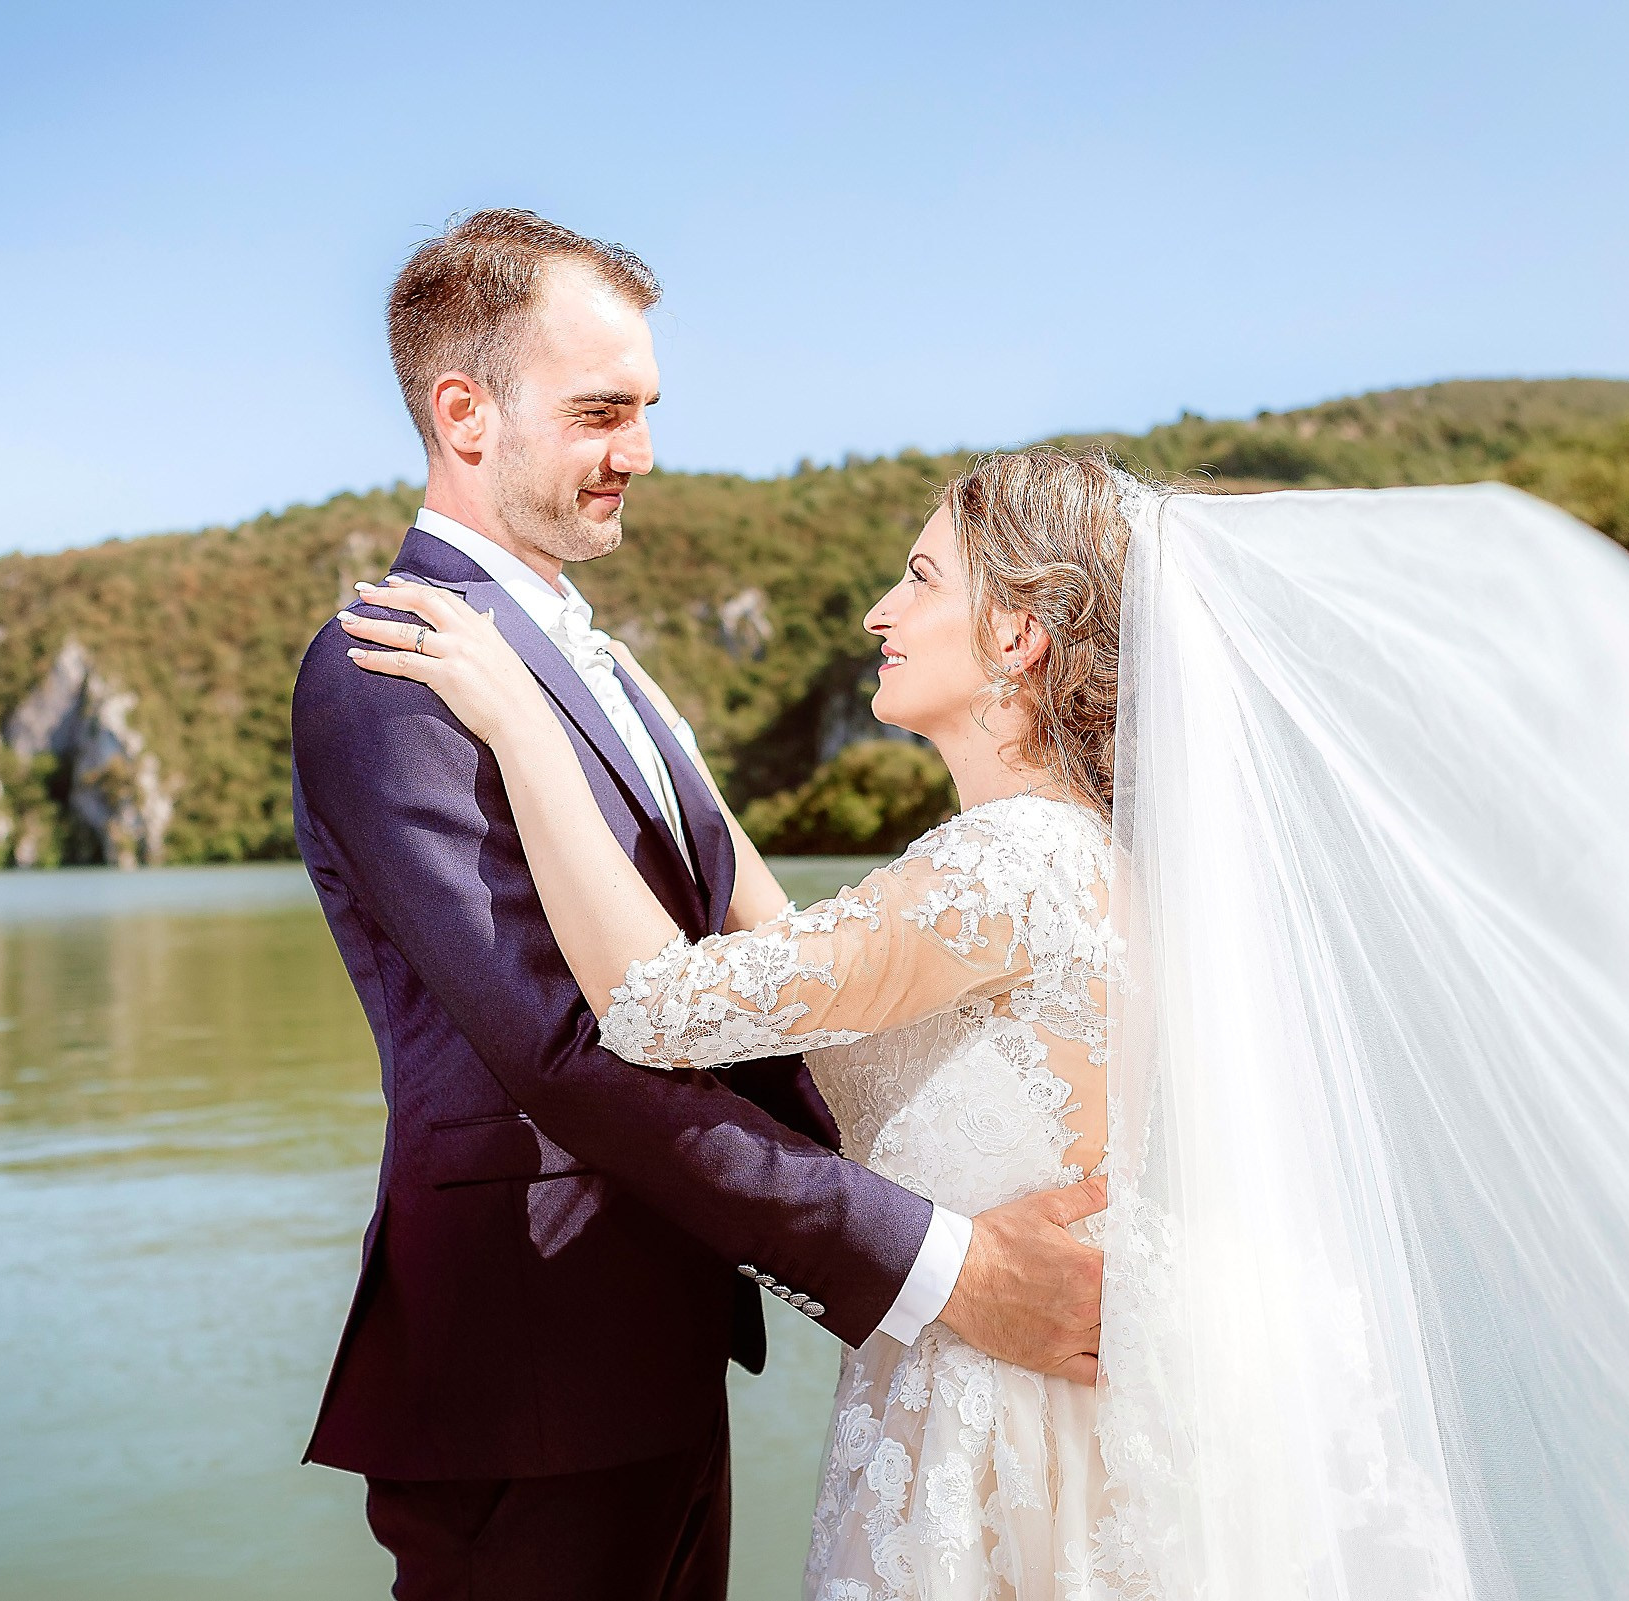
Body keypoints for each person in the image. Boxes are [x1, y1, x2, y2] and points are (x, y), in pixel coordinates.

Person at [346, 444, 1629, 1600]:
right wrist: (642, 718)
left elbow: (656, 1002)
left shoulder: (1006, 870)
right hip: (1078, 1361)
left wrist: (523, 722)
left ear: (1019, 636)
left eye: (922, 580)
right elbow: (777, 943)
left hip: (1015, 1415)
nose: (879, 611)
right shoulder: (1062, 862)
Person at [287, 210, 1107, 1601]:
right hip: (522, 1370)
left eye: (647, 409)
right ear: (463, 412)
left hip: (650, 1353)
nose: (643, 453)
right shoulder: (394, 668)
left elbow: (756, 969)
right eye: (603, 410)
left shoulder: (599, 672)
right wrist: (940, 1264)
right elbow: (564, 1053)